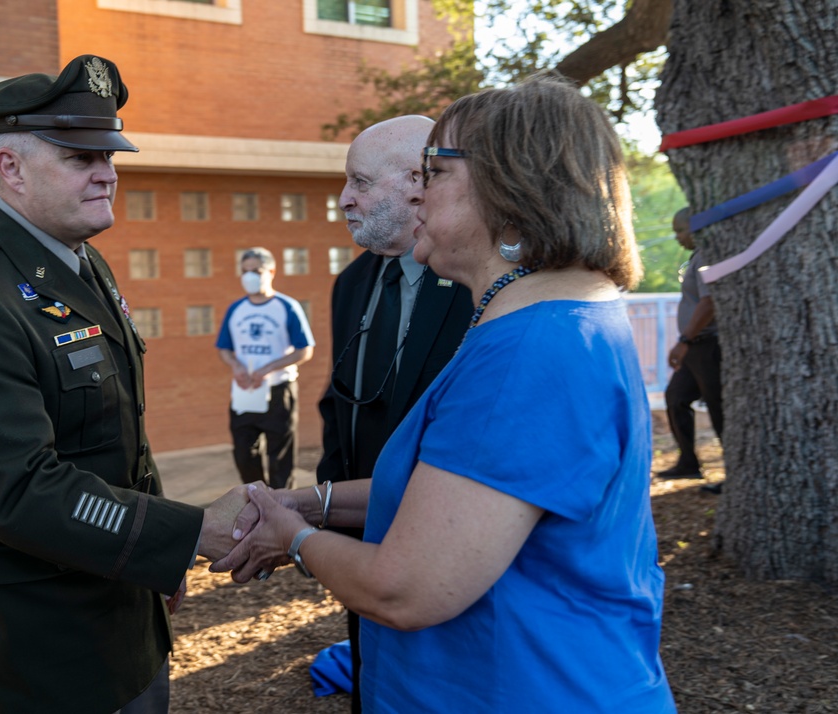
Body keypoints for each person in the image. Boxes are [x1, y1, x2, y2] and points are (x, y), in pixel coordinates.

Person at [217, 76, 677, 713]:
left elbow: (406, 589)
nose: (416, 190)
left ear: (506, 188)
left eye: (432, 169)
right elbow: (462, 494)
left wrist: (292, 535)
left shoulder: (527, 353)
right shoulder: (550, 321)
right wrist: (310, 502)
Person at [0, 55, 248, 714]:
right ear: (10, 168)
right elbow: (14, 488)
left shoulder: (84, 264)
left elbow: (120, 431)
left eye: (109, 154)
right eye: (80, 157)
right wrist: (184, 535)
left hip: (122, 611)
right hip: (34, 645)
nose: (107, 171)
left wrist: (150, 561)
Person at [319, 114, 472, 711]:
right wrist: (332, 521)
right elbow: (338, 409)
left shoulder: (478, 286)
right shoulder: (351, 282)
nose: (344, 200)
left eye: (358, 182)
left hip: (444, 554)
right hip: (362, 552)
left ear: (417, 182)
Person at [216, 247, 314, 490]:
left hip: (279, 390)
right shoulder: (236, 309)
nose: (250, 276)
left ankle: (283, 508)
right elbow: (224, 348)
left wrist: (269, 368)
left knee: (279, 457)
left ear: (271, 271)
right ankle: (257, 498)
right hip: (245, 391)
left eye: (256, 271)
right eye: (245, 271)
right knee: (243, 452)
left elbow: (305, 350)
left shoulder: (286, 306)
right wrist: (236, 366)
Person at [655, 208, 725, 493]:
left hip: (707, 345)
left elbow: (709, 304)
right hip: (694, 347)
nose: (677, 237)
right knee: (676, 397)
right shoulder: (697, 257)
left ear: (694, 228)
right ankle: (688, 462)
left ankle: (735, 473)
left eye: (679, 230)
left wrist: (684, 339)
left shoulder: (709, 256)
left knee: (720, 409)